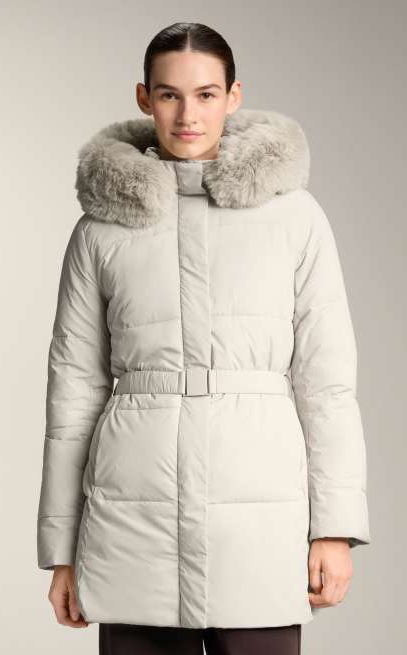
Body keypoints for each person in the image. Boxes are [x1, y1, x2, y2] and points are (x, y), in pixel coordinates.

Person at [36, 21, 371, 655]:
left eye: (206, 94)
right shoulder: (100, 230)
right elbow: (73, 396)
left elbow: (327, 387)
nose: (188, 114)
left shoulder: (294, 217)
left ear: (233, 97)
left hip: (259, 528)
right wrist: (62, 551)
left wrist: (335, 529)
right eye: (169, 95)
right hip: (130, 526)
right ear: (144, 98)